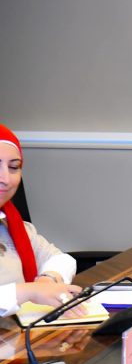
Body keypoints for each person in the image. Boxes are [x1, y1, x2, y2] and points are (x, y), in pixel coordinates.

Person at [0, 124, 82, 317]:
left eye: (13, 167)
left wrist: (47, 280)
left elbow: (61, 259)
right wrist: (29, 292)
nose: (6, 179)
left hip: (17, 330)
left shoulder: (14, 226)